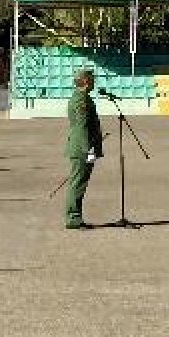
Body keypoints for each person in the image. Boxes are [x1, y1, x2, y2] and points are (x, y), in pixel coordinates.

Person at [65, 69, 104, 230]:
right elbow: (82, 127)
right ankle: (73, 218)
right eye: (92, 79)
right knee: (77, 183)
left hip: (81, 146)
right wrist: (88, 150)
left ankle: (75, 217)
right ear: (86, 81)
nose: (94, 82)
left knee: (79, 183)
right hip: (82, 148)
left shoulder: (81, 98)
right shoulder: (81, 100)